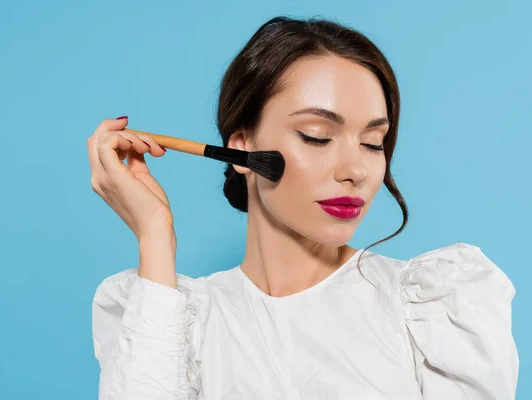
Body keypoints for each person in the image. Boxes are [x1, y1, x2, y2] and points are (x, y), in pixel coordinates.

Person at [87, 16, 519, 399]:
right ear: (242, 148)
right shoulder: (179, 319)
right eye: (316, 135)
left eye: (374, 143)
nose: (356, 170)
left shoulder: (431, 309)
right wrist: (155, 234)